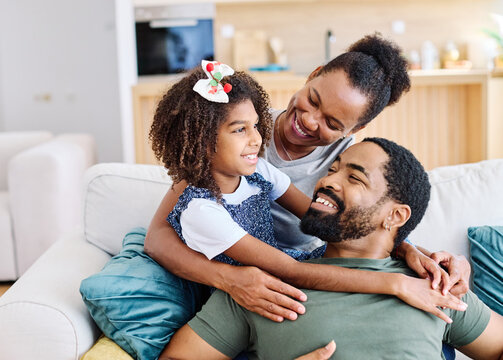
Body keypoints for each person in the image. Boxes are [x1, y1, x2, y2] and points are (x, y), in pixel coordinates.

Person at [145, 33, 471, 323]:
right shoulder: (230, 135)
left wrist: (410, 252)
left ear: (354, 131)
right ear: (313, 75)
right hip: (243, 281)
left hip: (294, 272)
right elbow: (158, 235)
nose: (309, 121)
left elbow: (349, 229)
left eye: (332, 122)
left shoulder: (338, 164)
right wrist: (228, 278)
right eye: (313, 100)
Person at [161, 138, 503, 360]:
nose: (326, 181)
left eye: (354, 178)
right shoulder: (260, 288)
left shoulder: (434, 286)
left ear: (395, 216)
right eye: (332, 170)